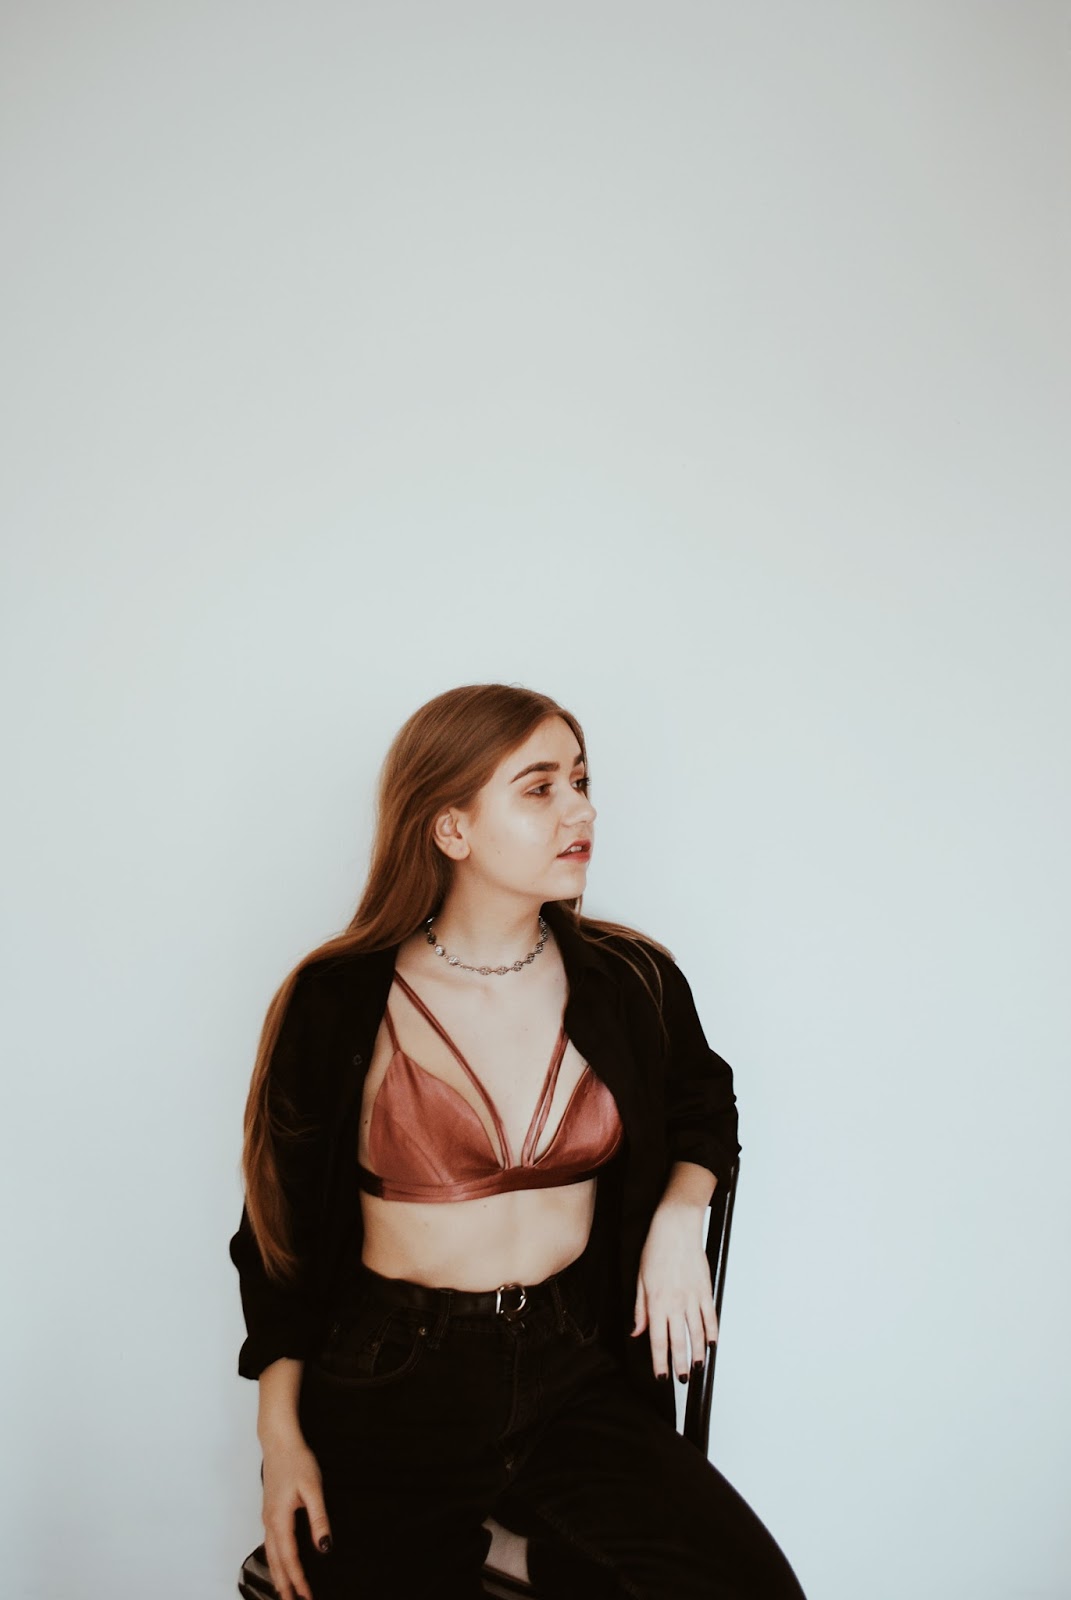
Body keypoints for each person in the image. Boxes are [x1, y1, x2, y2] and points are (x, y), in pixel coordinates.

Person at [229, 683, 808, 1600]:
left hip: (568, 1361)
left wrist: (678, 1219)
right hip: (393, 1375)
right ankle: (485, 1547)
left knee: (747, 1589)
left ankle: (515, 1553)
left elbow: (705, 1105)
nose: (580, 810)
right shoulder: (339, 997)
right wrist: (280, 1442)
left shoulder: (631, 978)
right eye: (538, 789)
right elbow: (278, 1237)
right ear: (451, 828)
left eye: (581, 781)